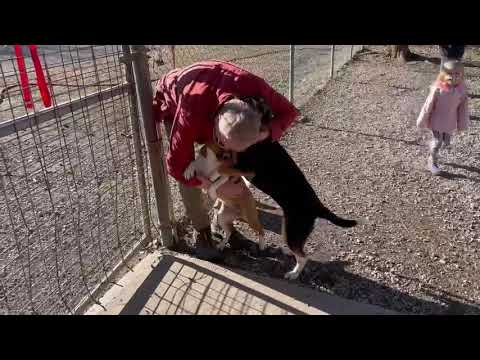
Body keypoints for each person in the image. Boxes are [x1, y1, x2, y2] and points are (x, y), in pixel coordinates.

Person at [153, 60, 300, 260]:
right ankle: (202, 232)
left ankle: (225, 224)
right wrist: (204, 183)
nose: (226, 151)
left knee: (226, 163)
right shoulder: (190, 112)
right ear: (215, 123)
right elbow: (176, 166)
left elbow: (290, 112)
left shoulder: (255, 87)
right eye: (222, 142)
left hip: (222, 108)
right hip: (176, 99)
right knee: (190, 169)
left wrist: (264, 135)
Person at [417, 60, 469, 175]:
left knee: (446, 143)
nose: (453, 77)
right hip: (437, 121)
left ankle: (433, 151)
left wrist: (462, 125)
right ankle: (432, 161)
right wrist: (422, 119)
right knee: (437, 142)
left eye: (457, 74)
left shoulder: (462, 92)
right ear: (443, 75)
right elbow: (428, 105)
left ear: (462, 75)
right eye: (449, 73)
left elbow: (463, 110)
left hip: (450, 123)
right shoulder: (438, 89)